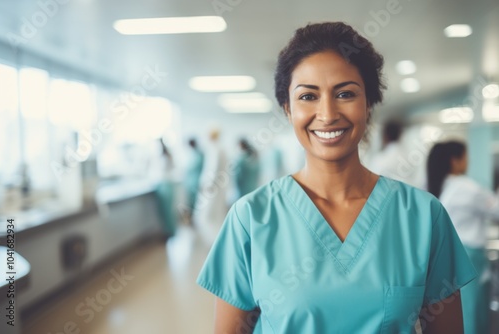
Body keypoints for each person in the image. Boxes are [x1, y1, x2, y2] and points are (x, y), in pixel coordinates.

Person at [197, 22, 476, 333]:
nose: (328, 114)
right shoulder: (250, 219)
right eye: (308, 97)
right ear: (287, 109)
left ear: (369, 104)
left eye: (345, 94)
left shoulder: (424, 217)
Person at [427, 140, 499, 334]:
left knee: (457, 312)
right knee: (472, 313)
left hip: (449, 258)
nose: (469, 161)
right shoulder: (466, 187)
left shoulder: (439, 185)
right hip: (469, 258)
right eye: (466, 157)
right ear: (455, 161)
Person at [194, 128, 228, 244]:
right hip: (217, 188)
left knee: (206, 216)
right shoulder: (220, 149)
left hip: (212, 188)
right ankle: (216, 241)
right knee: (215, 215)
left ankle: (214, 241)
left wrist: (207, 186)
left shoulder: (215, 149)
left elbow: (212, 170)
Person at [183, 138, 204, 225]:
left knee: (196, 203)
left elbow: (193, 168)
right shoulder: (192, 155)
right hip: (190, 183)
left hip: (196, 182)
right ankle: (191, 220)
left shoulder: (199, 155)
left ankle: (196, 220)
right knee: (191, 203)